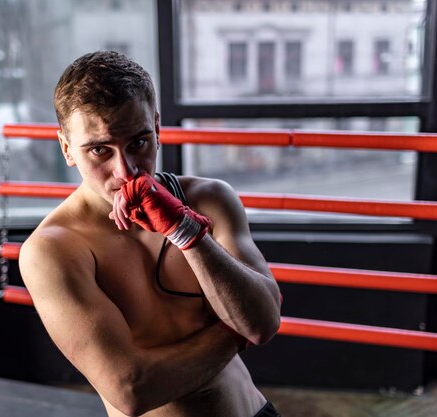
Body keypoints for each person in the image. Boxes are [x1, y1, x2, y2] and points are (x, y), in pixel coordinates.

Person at [19, 51, 282, 417]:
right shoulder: (54, 250)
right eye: (99, 150)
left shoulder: (209, 198)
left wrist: (186, 231)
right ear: (66, 147)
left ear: (157, 127)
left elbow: (264, 319)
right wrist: (237, 332)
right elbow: (131, 390)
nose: (126, 173)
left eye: (138, 143)